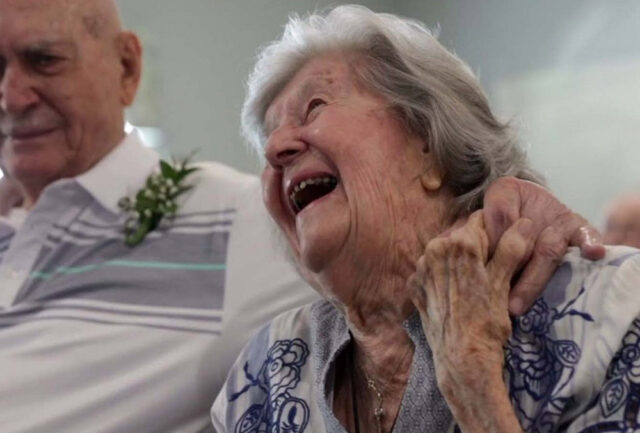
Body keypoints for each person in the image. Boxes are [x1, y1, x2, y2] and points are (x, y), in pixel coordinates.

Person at [0, 1, 600, 432]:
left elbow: (413, 235)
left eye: (43, 59)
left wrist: (517, 193)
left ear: (128, 69)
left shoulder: (233, 222)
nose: (11, 94)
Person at [212, 6, 638, 433]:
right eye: (268, 137)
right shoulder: (264, 376)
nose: (275, 149)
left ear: (429, 143)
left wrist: (472, 379)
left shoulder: (611, 311)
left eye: (315, 106)